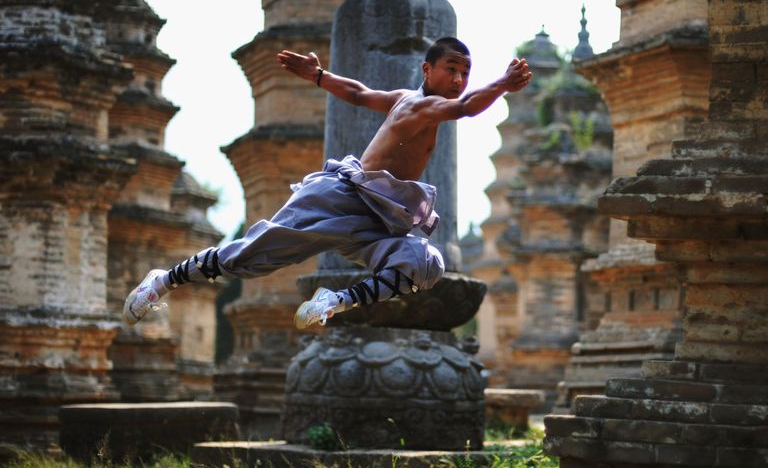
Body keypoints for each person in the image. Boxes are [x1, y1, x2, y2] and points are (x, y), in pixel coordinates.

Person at [123, 37, 532, 329]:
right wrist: (502, 84)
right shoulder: (426, 104)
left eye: (466, 72)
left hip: (380, 216)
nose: (459, 79)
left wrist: (319, 75)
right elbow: (464, 107)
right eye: (451, 69)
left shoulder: (407, 100)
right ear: (428, 70)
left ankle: (334, 301)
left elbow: (358, 93)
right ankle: (162, 280)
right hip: (340, 197)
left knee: (424, 264)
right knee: (251, 257)